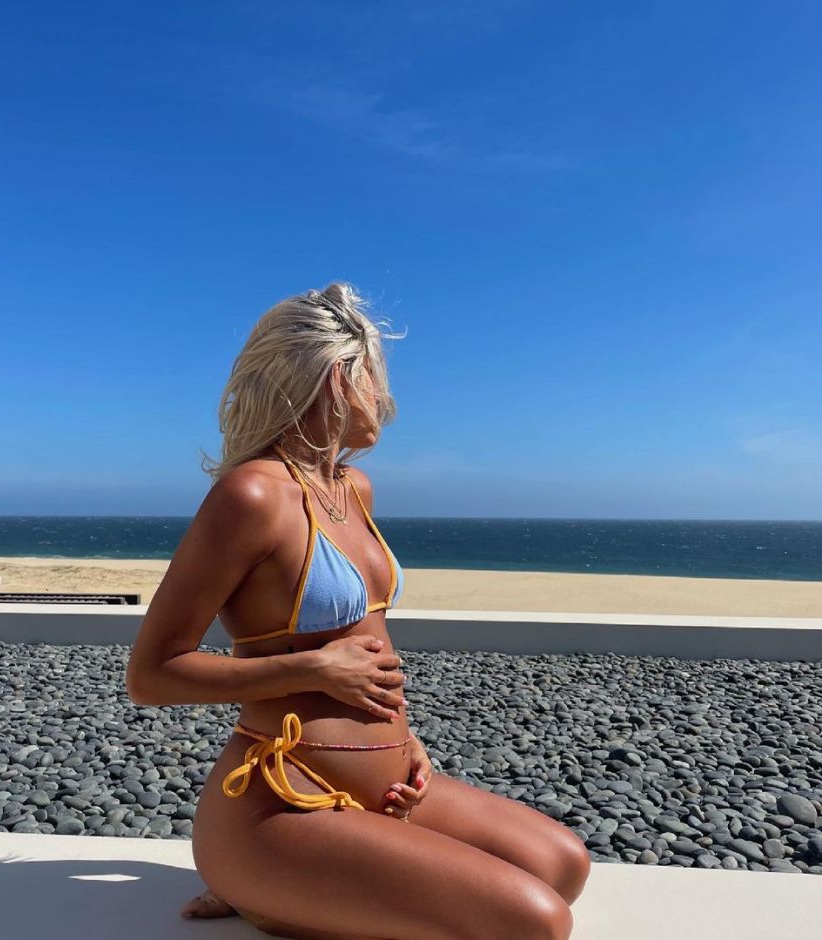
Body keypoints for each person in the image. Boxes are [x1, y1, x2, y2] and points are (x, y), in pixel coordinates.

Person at [125, 284, 590, 939]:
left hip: (391, 786)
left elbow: (369, 641)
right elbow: (151, 675)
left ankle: (305, 894)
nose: (387, 403)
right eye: (376, 378)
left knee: (563, 865)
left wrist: (406, 741)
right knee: (534, 923)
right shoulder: (252, 495)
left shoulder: (354, 488)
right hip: (286, 798)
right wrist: (312, 669)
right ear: (338, 378)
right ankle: (262, 884)